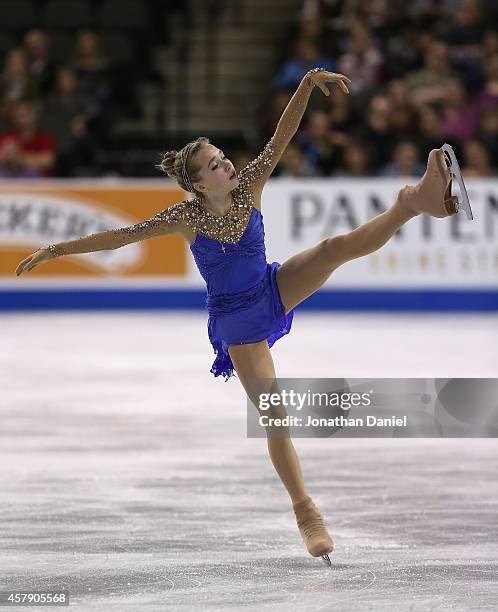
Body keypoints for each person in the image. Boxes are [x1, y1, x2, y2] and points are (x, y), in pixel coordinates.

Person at [15, 68, 464, 565]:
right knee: (275, 415)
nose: (226, 164)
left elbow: (281, 136)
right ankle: (305, 509)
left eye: (222, 157)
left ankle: (414, 202)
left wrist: (305, 85)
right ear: (197, 183)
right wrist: (56, 249)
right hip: (236, 322)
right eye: (214, 164)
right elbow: (120, 238)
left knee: (334, 249)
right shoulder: (184, 218)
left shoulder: (250, 186)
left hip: (272, 288)